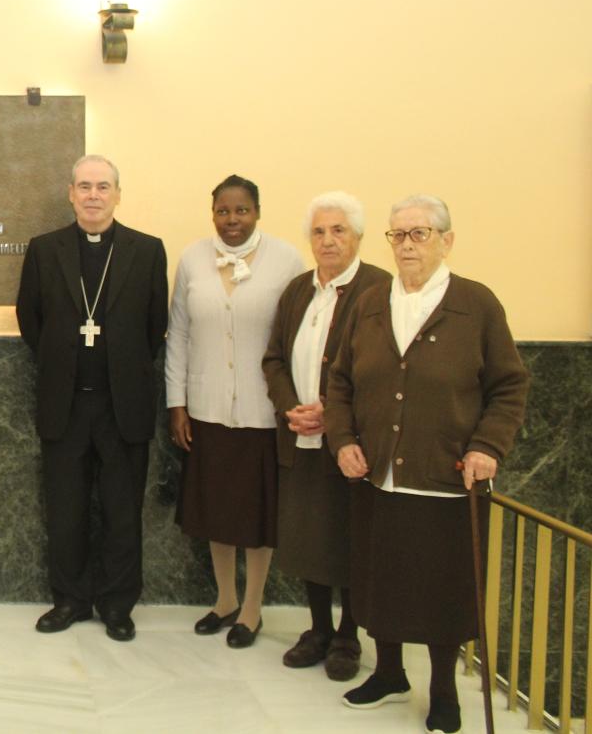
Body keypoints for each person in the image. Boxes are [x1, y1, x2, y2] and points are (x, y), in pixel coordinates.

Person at [326, 195, 527, 734]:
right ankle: (389, 673)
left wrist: (488, 446)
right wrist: (342, 439)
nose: (407, 245)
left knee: (441, 590)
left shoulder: (476, 304)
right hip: (377, 474)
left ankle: (442, 690)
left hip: (445, 475)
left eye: (420, 233)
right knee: (379, 580)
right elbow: (340, 381)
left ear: (446, 240)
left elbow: (509, 386)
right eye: (398, 235)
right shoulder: (371, 302)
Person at [15, 154, 168, 641]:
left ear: (118, 194)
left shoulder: (147, 250)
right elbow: (30, 319)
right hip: (66, 403)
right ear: (71, 193)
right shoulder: (45, 250)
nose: (94, 195)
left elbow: (155, 326)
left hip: (123, 404)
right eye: (85, 186)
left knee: (123, 512)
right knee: (66, 511)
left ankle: (118, 605)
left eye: (103, 186)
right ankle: (70, 599)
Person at [166, 174, 304, 648]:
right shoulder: (192, 259)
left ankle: (252, 608)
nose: (232, 219)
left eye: (241, 210)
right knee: (217, 510)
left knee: (256, 515)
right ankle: (225, 599)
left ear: (257, 212)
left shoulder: (286, 260)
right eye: (223, 211)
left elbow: (295, 338)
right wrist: (177, 402)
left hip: (262, 411)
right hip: (207, 409)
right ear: (213, 214)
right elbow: (179, 334)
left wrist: (293, 402)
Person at [261, 191, 390, 681]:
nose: (328, 240)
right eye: (319, 232)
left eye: (338, 230)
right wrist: (290, 407)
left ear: (358, 236)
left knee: (349, 538)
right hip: (299, 436)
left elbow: (381, 369)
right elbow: (274, 357)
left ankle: (348, 637)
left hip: (351, 441)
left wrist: (332, 413)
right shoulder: (298, 290)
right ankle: (317, 629)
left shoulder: (378, 290)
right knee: (308, 537)